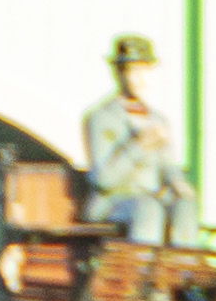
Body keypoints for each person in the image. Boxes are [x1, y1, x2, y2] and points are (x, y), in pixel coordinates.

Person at [82, 32, 207, 247]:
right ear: (118, 74)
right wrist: (138, 146)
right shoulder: (100, 118)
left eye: (145, 71)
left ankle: (183, 270)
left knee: (185, 205)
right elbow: (104, 179)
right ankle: (141, 273)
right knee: (148, 207)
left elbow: (168, 165)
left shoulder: (157, 119)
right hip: (114, 202)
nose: (140, 79)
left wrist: (179, 183)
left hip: (152, 198)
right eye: (133, 71)